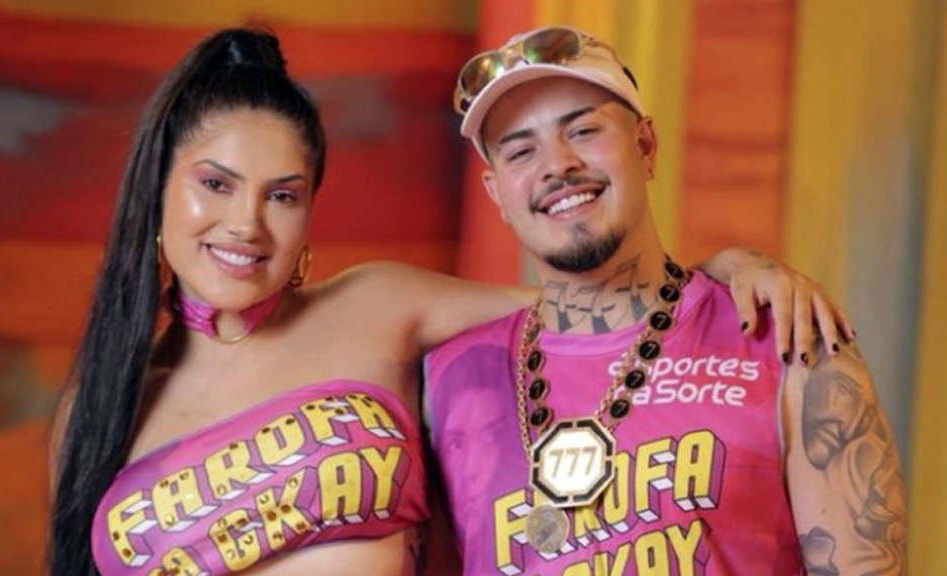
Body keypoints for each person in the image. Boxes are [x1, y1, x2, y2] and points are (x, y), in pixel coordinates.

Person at [48, 28, 855, 576]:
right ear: (157, 190)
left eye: (283, 195)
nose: (246, 224)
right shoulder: (104, 405)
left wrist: (730, 269)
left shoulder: (380, 307)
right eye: (216, 184)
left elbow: (606, 305)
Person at [424, 26, 906, 576]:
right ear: (496, 194)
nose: (556, 166)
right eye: (521, 151)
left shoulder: (789, 339)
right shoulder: (444, 382)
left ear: (646, 146)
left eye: (583, 130)